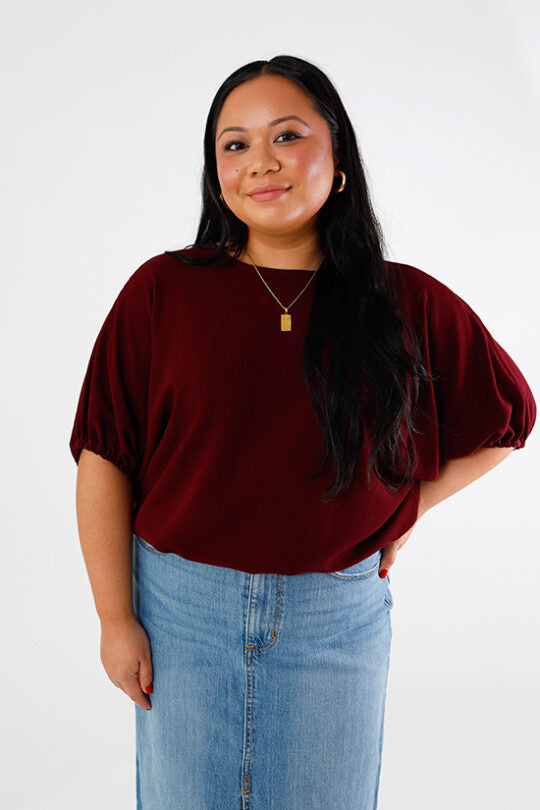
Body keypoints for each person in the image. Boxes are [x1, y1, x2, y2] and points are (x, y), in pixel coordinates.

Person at [69, 55, 536, 810]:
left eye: (287, 135)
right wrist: (114, 617)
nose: (261, 161)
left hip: (335, 620)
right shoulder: (164, 290)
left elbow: (505, 422)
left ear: (338, 156)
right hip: (180, 614)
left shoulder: (404, 301)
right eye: (235, 144)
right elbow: (104, 455)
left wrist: (408, 508)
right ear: (216, 171)